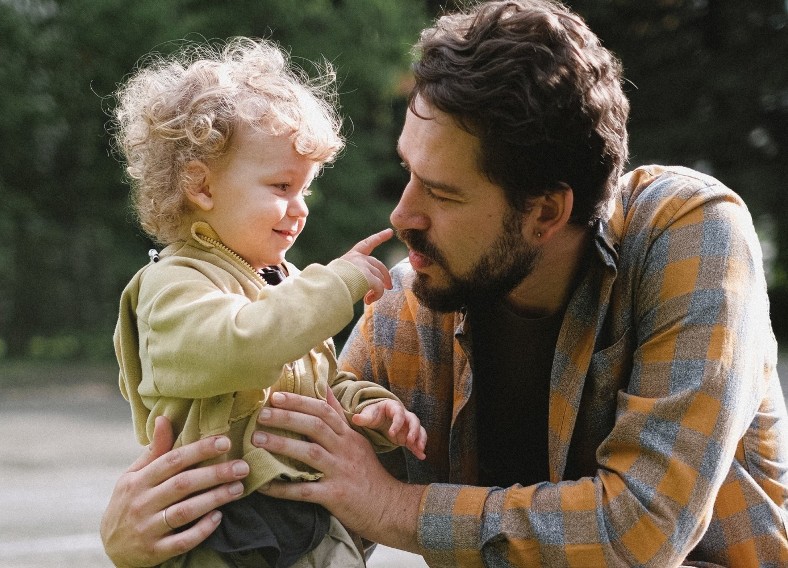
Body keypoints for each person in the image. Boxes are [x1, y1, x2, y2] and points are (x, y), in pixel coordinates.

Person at [101, 2, 788, 567]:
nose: (402, 216)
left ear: (546, 211)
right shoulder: (412, 304)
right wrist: (145, 535)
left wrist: (394, 507)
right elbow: (313, 487)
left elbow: (641, 531)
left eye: (443, 193)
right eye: (407, 172)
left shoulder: (689, 232)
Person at [108, 37, 427, 568]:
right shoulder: (173, 283)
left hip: (297, 517)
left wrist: (366, 407)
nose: (299, 208)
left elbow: (311, 381)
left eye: (306, 189)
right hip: (222, 530)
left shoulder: (281, 282)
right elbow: (241, 346)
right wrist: (337, 284)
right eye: (282, 185)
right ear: (200, 186)